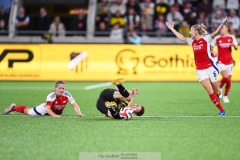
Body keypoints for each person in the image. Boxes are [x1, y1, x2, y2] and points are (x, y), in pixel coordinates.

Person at [165, 16, 230, 116]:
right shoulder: (192, 42)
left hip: (210, 67)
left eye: (191, 31)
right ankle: (222, 110)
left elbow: (216, 32)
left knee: (217, 90)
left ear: (196, 31)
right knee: (209, 91)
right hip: (200, 70)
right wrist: (172, 28)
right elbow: (181, 37)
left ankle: (218, 94)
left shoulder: (207, 38)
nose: (189, 32)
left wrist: (223, 22)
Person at [3, 80, 84, 117]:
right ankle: (13, 107)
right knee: (27, 111)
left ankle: (13, 107)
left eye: (63, 88)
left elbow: (75, 105)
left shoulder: (67, 95)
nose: (61, 90)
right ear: (55, 88)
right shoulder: (51, 96)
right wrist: (55, 116)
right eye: (59, 88)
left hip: (52, 113)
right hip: (43, 110)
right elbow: (48, 109)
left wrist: (79, 113)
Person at [211, 24, 238, 103]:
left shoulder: (231, 37)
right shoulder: (217, 38)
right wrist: (214, 52)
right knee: (226, 78)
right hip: (220, 61)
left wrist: (234, 46)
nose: (221, 30)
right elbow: (211, 47)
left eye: (223, 28)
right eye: (220, 29)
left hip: (230, 61)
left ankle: (225, 95)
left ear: (226, 29)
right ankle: (220, 91)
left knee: (228, 80)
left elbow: (236, 48)